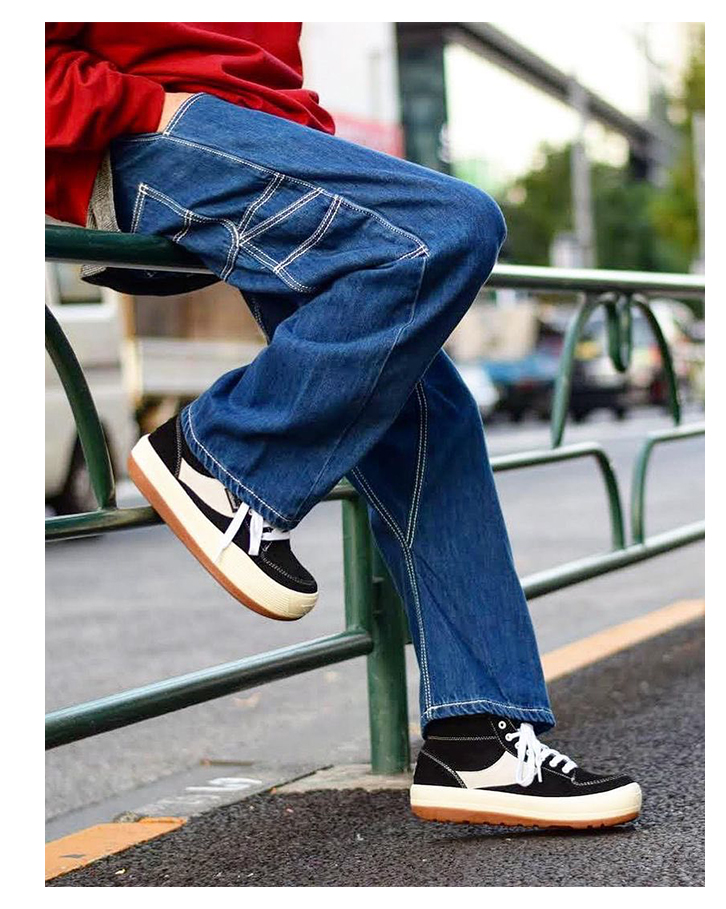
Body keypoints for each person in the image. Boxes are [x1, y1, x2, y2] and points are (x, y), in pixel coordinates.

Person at [46, 22, 641, 829]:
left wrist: (315, 148)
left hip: (263, 140)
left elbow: (258, 61)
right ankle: (223, 456)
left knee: (430, 413)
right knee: (451, 225)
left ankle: (479, 739)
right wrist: (142, 106)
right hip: (147, 140)